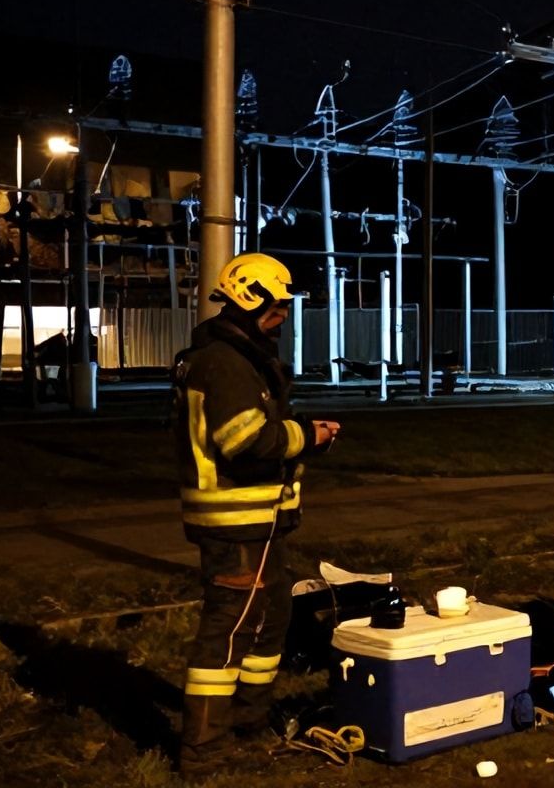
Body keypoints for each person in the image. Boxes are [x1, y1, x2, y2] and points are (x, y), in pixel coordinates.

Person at [171, 253, 339, 773]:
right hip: (236, 523)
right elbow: (244, 442)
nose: (283, 315)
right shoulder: (224, 362)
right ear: (248, 301)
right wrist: (306, 435)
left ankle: (249, 719)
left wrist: (302, 437)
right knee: (229, 631)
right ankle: (204, 748)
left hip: (259, 522)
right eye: (276, 306)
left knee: (269, 620)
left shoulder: (239, 357)